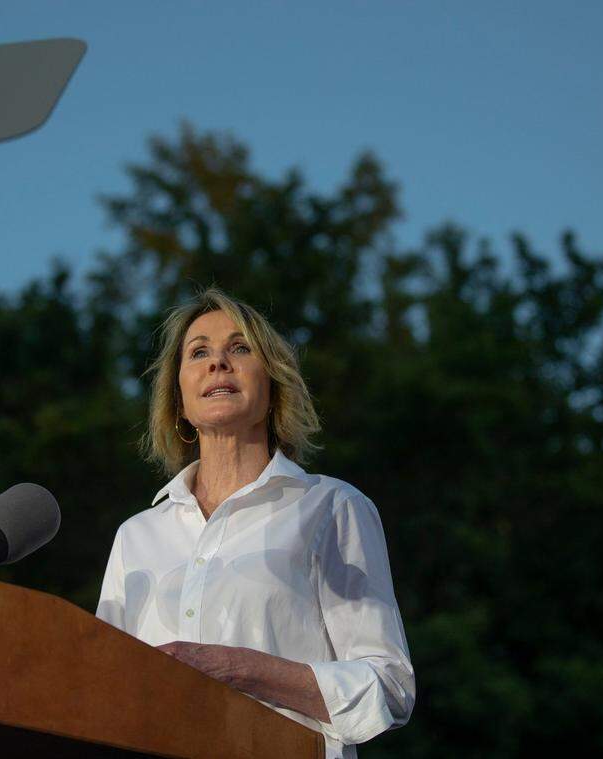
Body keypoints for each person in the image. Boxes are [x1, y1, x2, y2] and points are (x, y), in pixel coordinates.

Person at [96, 288, 414, 758]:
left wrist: (239, 668)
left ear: (273, 387)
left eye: (240, 348)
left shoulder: (330, 507)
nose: (217, 362)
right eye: (198, 351)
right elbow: (102, 697)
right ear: (179, 401)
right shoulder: (136, 537)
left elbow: (390, 685)